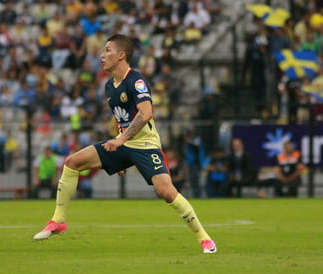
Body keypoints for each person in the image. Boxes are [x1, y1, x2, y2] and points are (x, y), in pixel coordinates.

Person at [34, 34, 217, 253]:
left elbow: (146, 112)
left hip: (146, 145)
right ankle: (58, 220)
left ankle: (204, 238)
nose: (102, 55)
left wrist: (121, 139)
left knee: (166, 192)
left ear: (121, 55)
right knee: (73, 162)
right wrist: (119, 153)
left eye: (108, 50)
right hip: (124, 143)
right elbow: (121, 119)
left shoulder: (136, 80)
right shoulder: (109, 87)